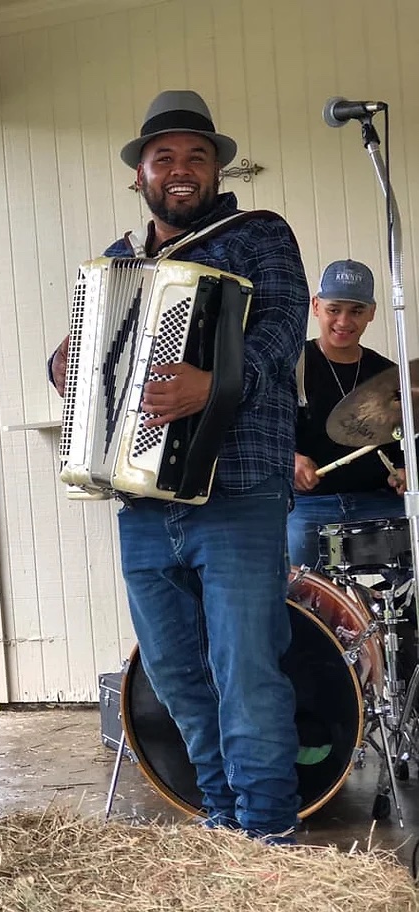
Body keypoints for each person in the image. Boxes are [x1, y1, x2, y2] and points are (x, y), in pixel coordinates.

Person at [50, 91, 310, 842]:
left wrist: (215, 385)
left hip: (237, 489)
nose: (182, 169)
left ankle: (269, 837)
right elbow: (83, 360)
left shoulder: (257, 236)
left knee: (247, 672)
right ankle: (224, 821)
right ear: (141, 175)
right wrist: (65, 365)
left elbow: (283, 327)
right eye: (164, 156)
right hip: (142, 499)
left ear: (218, 168)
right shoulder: (121, 265)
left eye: (197, 154)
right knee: (174, 677)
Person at [288, 259, 406, 569]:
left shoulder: (387, 375)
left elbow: (405, 441)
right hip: (308, 505)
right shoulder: (291, 366)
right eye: (334, 309)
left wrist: (406, 472)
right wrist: (291, 459)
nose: (343, 321)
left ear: (372, 313)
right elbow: (260, 435)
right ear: (316, 306)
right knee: (302, 581)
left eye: (356, 311)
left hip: (376, 502)